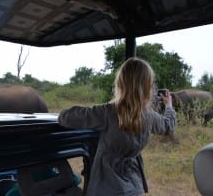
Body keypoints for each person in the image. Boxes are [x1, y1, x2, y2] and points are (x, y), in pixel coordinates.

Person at [58, 57, 176, 196]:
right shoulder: (150, 116)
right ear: (148, 86)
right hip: (134, 186)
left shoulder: (107, 112)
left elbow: (65, 117)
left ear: (120, 83)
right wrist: (169, 106)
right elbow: (168, 125)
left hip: (106, 188)